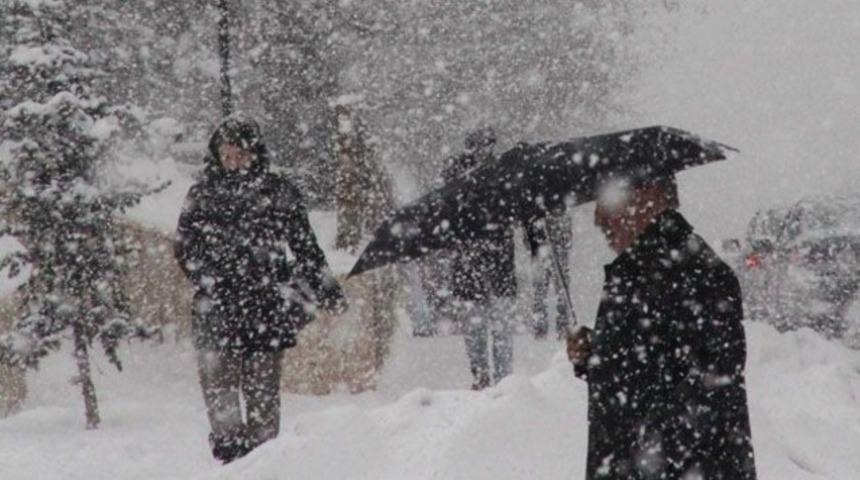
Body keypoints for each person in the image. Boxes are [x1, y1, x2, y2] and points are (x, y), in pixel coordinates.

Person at [174, 114, 347, 464]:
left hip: (265, 306)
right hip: (217, 307)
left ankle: (263, 461)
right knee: (219, 389)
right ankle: (230, 457)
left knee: (263, 393)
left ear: (254, 153)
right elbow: (185, 248)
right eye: (226, 153)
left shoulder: (278, 192)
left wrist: (327, 289)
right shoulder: (202, 194)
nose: (232, 160)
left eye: (240, 153)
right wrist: (212, 280)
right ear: (216, 153)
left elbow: (305, 247)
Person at [567, 176, 757, 479]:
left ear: (649, 195)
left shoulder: (691, 274)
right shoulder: (639, 270)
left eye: (606, 200)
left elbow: (703, 395)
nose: (598, 218)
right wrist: (594, 355)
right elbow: (647, 367)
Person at [443, 127, 518, 390]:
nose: (485, 150)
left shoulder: (504, 172)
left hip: (497, 261)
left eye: (488, 145)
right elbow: (449, 214)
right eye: (481, 145)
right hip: (471, 261)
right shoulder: (457, 175)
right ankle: (482, 375)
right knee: (477, 326)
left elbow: (513, 210)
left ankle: (502, 379)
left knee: (500, 325)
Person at [527, 204, 574, 339]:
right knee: (541, 289)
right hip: (540, 243)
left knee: (559, 287)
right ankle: (543, 327)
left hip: (555, 238)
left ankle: (561, 326)